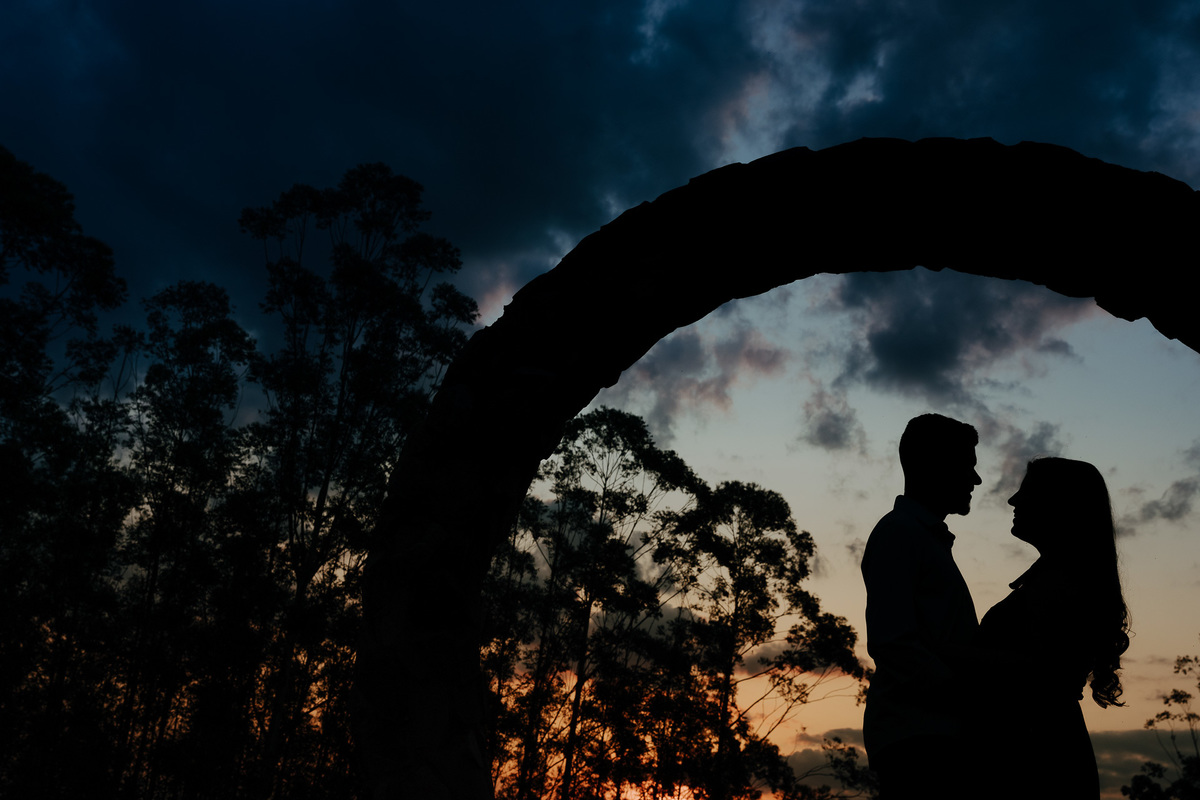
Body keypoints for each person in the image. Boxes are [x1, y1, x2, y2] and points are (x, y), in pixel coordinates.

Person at [975, 457, 1131, 800]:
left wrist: (952, 651)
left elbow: (1046, 672)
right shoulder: (1059, 581)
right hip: (1041, 749)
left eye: (1026, 491)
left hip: (1037, 758)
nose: (1012, 500)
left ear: (1059, 505)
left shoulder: (1063, 586)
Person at [861, 414, 982, 799]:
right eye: (968, 466)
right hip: (920, 739)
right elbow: (894, 642)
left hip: (933, 734)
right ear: (935, 466)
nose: (975, 480)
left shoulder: (921, 538)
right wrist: (971, 698)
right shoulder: (900, 534)